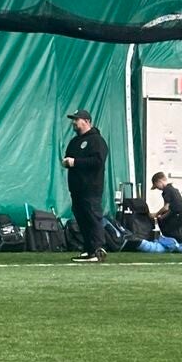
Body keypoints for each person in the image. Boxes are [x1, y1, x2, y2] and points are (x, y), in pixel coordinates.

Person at [63, 108, 108, 263]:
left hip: (91, 187)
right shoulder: (74, 142)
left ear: (87, 121)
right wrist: (67, 162)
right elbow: (69, 158)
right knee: (81, 219)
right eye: (73, 120)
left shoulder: (97, 140)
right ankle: (88, 249)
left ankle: (97, 250)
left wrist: (75, 162)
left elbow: (98, 161)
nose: (74, 123)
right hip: (76, 188)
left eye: (77, 119)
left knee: (92, 218)